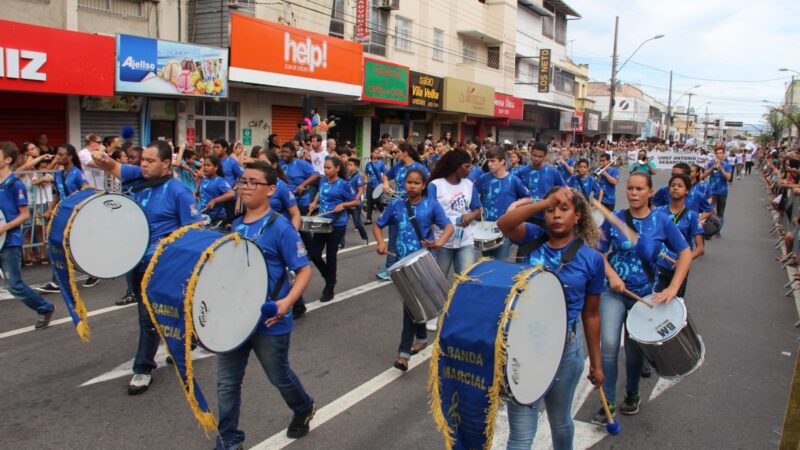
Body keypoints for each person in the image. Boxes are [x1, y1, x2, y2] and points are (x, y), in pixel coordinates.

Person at [89, 140, 202, 395]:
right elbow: (112, 166)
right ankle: (185, 340)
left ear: (166, 163)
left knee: (148, 317)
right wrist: (101, 156)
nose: (144, 164)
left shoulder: (178, 192)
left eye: (150, 161)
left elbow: (193, 231)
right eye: (142, 160)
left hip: (161, 266)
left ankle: (143, 368)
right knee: (165, 311)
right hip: (135, 262)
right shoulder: (137, 175)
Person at [217, 161, 316, 449]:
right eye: (242, 181)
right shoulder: (235, 226)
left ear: (271, 189)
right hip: (235, 320)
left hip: (270, 320)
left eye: (252, 182)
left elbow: (304, 270)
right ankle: (229, 442)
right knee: (226, 385)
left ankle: (303, 407)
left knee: (279, 376)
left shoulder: (281, 228)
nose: (244, 187)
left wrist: (287, 302)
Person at [497, 186, 604, 450]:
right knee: (520, 436)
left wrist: (597, 364)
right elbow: (504, 223)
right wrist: (543, 202)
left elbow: (591, 315)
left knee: (559, 421)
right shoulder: (532, 237)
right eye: (551, 210)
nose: (556, 215)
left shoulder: (592, 259)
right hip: (522, 348)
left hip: (565, 351)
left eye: (564, 209)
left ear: (578, 215)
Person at [593, 172, 692, 423]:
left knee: (635, 351)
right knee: (609, 346)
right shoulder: (614, 219)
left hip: (645, 295)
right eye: (630, 188)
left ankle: (632, 393)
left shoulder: (662, 220)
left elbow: (685, 253)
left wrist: (672, 289)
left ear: (650, 192)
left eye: (639, 189)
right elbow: (599, 252)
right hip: (613, 292)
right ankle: (609, 402)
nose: (634, 193)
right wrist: (612, 275)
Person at [373, 168, 453, 371]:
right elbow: (377, 225)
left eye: (416, 183)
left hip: (423, 262)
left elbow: (449, 227)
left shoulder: (431, 206)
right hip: (401, 265)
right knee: (413, 304)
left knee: (409, 308)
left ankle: (403, 355)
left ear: (423, 185)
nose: (412, 186)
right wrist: (381, 243)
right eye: (409, 182)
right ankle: (422, 336)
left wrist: (439, 243)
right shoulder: (396, 206)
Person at [0, 142, 56, 329]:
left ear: (7, 159)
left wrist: (4, 227)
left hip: (9, 240)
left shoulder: (15, 185)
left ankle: (44, 307)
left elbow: (24, 215)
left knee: (14, 284)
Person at [428, 150, 481, 331]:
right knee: (439, 279)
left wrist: (470, 215)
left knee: (466, 279)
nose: (470, 169)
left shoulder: (468, 185)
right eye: (467, 166)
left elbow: (478, 208)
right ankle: (435, 314)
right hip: (442, 241)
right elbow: (428, 211)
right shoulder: (436, 185)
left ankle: (462, 315)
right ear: (455, 166)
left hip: (465, 240)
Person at [308, 157, 358, 302]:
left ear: (337, 168)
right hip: (322, 221)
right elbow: (319, 194)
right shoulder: (323, 181)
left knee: (331, 255)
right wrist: (314, 202)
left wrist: (344, 205)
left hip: (337, 223)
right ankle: (330, 278)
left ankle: (329, 287)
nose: (326, 170)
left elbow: (355, 202)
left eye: (328, 167)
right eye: (325, 167)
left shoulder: (344, 184)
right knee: (314, 254)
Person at [377, 143, 429, 280]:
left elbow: (428, 187)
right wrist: (386, 184)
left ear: (405, 153)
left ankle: (416, 266)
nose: (396, 154)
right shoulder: (397, 167)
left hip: (415, 207)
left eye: (398, 152)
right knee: (393, 236)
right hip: (398, 205)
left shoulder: (420, 168)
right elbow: (385, 175)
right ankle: (390, 269)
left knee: (413, 237)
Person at [474, 146, 530, 260]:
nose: (489, 164)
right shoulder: (483, 178)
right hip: (486, 228)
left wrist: (514, 204)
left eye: (492, 161)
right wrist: (478, 205)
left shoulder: (513, 180)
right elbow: (473, 194)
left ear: (502, 161)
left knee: (500, 262)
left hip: (505, 228)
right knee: (487, 263)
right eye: (488, 160)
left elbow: (528, 198)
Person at [655, 173, 704, 298]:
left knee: (675, 304)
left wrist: (683, 260)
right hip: (657, 266)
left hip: (679, 267)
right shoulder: (658, 212)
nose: (675, 188)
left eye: (680, 186)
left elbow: (700, 248)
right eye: (672, 185)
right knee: (655, 301)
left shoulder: (692, 216)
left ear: (687, 191)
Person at [196, 155, 234, 227]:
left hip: (216, 218)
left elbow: (231, 194)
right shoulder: (204, 179)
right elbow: (199, 192)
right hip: (203, 216)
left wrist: (214, 201)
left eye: (209, 165)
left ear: (216, 167)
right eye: (204, 165)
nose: (205, 167)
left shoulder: (220, 181)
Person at [214, 139, 244, 224]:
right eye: (214, 147)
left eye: (218, 147)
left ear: (225, 149)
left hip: (230, 199)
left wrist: (237, 194)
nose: (215, 149)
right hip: (217, 198)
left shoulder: (232, 162)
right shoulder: (214, 163)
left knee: (230, 224)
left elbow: (241, 177)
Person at [703, 146, 733, 224]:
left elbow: (728, 177)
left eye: (720, 153)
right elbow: (704, 175)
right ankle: (709, 228)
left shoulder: (727, 165)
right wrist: (713, 166)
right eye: (717, 153)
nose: (719, 155)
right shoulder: (710, 164)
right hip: (712, 191)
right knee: (709, 210)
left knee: (720, 212)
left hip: (722, 191)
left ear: (723, 154)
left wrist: (721, 168)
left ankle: (718, 229)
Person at [343, 157, 369, 247]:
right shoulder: (348, 175)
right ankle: (341, 242)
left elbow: (361, 190)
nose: (348, 167)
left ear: (356, 167)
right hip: (347, 202)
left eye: (351, 165)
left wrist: (356, 199)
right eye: (348, 165)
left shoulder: (358, 176)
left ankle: (364, 238)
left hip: (355, 202)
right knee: (342, 222)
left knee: (357, 222)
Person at [364, 148, 388, 225]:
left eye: (378, 153)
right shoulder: (368, 164)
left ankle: (384, 212)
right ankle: (368, 219)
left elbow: (385, 173)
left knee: (378, 200)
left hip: (378, 185)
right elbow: (365, 173)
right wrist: (366, 179)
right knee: (369, 201)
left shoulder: (381, 163)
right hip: (370, 185)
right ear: (372, 153)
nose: (376, 155)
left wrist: (385, 183)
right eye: (375, 153)